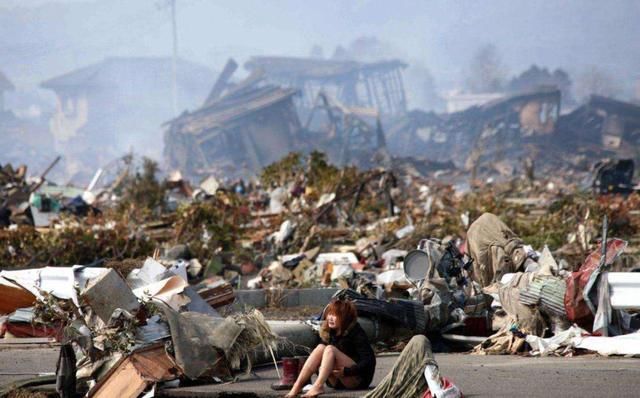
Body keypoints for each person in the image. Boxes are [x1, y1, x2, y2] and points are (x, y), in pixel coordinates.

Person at [285, 298, 376, 397]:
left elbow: (369, 361)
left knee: (330, 349)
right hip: (336, 381)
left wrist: (347, 371)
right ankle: (297, 386)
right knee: (320, 347)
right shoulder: (328, 332)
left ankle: (318, 386)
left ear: (344, 317)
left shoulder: (356, 332)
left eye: (335, 315)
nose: (330, 318)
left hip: (356, 379)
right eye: (329, 314)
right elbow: (318, 360)